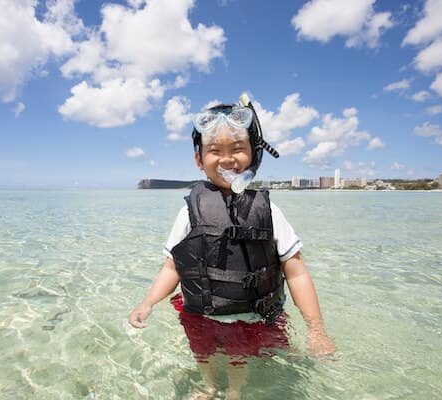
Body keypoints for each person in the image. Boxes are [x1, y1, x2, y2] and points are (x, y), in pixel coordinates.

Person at [129, 93, 335, 400]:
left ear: (254, 154)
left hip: (249, 315)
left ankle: (235, 391)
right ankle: (210, 385)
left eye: (237, 148)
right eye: (215, 151)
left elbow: (296, 272)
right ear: (199, 160)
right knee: (202, 352)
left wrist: (316, 329)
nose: (227, 158)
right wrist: (147, 302)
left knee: (241, 355)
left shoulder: (268, 210)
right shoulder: (189, 211)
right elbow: (173, 266)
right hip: (201, 314)